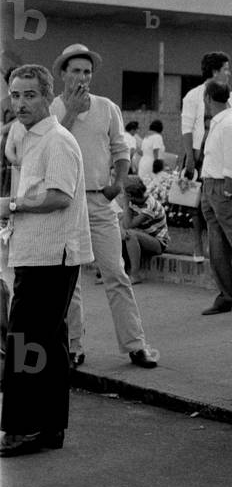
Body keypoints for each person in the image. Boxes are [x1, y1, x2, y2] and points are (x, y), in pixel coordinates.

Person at [0, 65, 93, 456]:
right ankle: (50, 428)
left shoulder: (57, 140)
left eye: (30, 95)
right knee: (50, 345)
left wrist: (12, 204)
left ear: (46, 96)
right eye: (15, 95)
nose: (20, 103)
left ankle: (25, 428)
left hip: (51, 257)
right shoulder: (30, 135)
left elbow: (59, 196)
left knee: (25, 343)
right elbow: (12, 150)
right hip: (36, 254)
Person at [48, 44, 158, 369]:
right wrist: (70, 112)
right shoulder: (52, 109)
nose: (82, 77)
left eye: (87, 71)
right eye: (76, 71)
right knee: (70, 279)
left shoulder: (108, 108)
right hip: (66, 201)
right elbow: (50, 148)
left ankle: (135, 345)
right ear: (64, 74)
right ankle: (73, 346)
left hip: (99, 199)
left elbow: (120, 149)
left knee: (115, 272)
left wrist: (119, 184)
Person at [199, 80, 232, 315]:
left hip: (224, 187)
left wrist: (228, 190)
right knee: (218, 245)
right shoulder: (221, 123)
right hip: (213, 185)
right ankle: (225, 296)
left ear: (208, 98)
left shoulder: (229, 124)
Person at [181, 52, 232, 261]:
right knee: (194, 203)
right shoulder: (194, 95)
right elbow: (187, 129)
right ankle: (197, 247)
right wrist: (190, 159)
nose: (229, 73)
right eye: (226, 69)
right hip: (198, 154)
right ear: (215, 71)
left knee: (219, 204)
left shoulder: (230, 95)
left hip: (220, 155)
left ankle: (220, 250)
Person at [121, 178, 169, 284]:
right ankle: (113, 272)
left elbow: (129, 225)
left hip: (158, 243)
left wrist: (125, 203)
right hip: (143, 238)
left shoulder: (149, 205)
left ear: (129, 195)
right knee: (118, 233)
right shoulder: (134, 202)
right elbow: (122, 222)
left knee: (130, 235)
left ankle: (135, 275)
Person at [136, 119, 165, 185]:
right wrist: (157, 164)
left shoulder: (146, 138)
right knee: (153, 185)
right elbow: (155, 150)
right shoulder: (157, 137)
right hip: (152, 164)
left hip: (143, 163)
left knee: (144, 185)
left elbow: (141, 152)